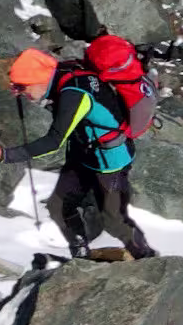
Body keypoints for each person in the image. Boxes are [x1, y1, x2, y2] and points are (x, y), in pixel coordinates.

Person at [8, 30, 152, 261]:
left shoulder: (74, 94)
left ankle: (146, 259)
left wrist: (5, 155)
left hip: (111, 161)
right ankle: (81, 258)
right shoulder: (62, 73)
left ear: (38, 79)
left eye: (22, 87)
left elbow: (53, 142)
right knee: (59, 206)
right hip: (83, 154)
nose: (19, 93)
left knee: (114, 219)